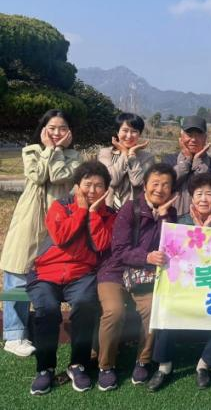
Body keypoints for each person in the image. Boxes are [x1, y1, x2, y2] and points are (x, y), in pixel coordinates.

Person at [27, 161, 115, 395]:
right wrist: (81, 210)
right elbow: (61, 237)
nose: (92, 190)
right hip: (46, 272)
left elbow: (101, 244)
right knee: (47, 309)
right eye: (87, 184)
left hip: (82, 274)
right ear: (77, 185)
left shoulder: (109, 214)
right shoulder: (60, 206)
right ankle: (45, 368)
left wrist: (93, 214)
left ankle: (78, 365)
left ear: (106, 189)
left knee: (85, 304)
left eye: (99, 185)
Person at [147, 172, 211, 392]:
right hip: (186, 286)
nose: (203, 199)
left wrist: (209, 232)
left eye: (209, 194)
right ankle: (164, 365)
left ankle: (204, 364)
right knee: (167, 305)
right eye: (199, 194)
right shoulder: (181, 223)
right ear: (191, 197)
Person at [1, 109, 81, 357]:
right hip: (30, 217)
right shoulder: (31, 151)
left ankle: (44, 325)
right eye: (52, 128)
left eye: (62, 128)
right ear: (43, 129)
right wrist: (49, 150)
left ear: (70, 132)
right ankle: (14, 335)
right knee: (18, 269)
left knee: (49, 272)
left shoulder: (75, 157)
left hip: (58, 219)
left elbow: (57, 176)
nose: (57, 132)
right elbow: (37, 175)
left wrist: (55, 151)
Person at [95, 163, 178, 391]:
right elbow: (119, 250)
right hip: (115, 272)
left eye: (166, 185)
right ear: (144, 185)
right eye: (155, 183)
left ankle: (143, 360)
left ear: (172, 190)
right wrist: (147, 256)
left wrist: (162, 217)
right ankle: (106, 365)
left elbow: (169, 246)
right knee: (114, 311)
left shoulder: (170, 214)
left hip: (145, 276)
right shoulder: (129, 209)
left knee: (153, 308)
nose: (159, 189)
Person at [164, 115, 211, 216]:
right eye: (189, 135)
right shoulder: (169, 160)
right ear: (181, 137)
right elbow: (167, 185)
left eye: (198, 135)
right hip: (172, 219)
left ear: (205, 138)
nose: (193, 139)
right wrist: (186, 162)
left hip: (202, 220)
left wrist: (198, 162)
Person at [98, 112, 154, 211]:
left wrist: (131, 155)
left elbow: (137, 182)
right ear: (117, 132)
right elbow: (112, 180)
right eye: (125, 130)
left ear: (139, 134)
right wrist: (124, 153)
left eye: (134, 131)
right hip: (106, 209)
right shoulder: (105, 154)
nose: (129, 135)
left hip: (133, 211)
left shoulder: (147, 158)